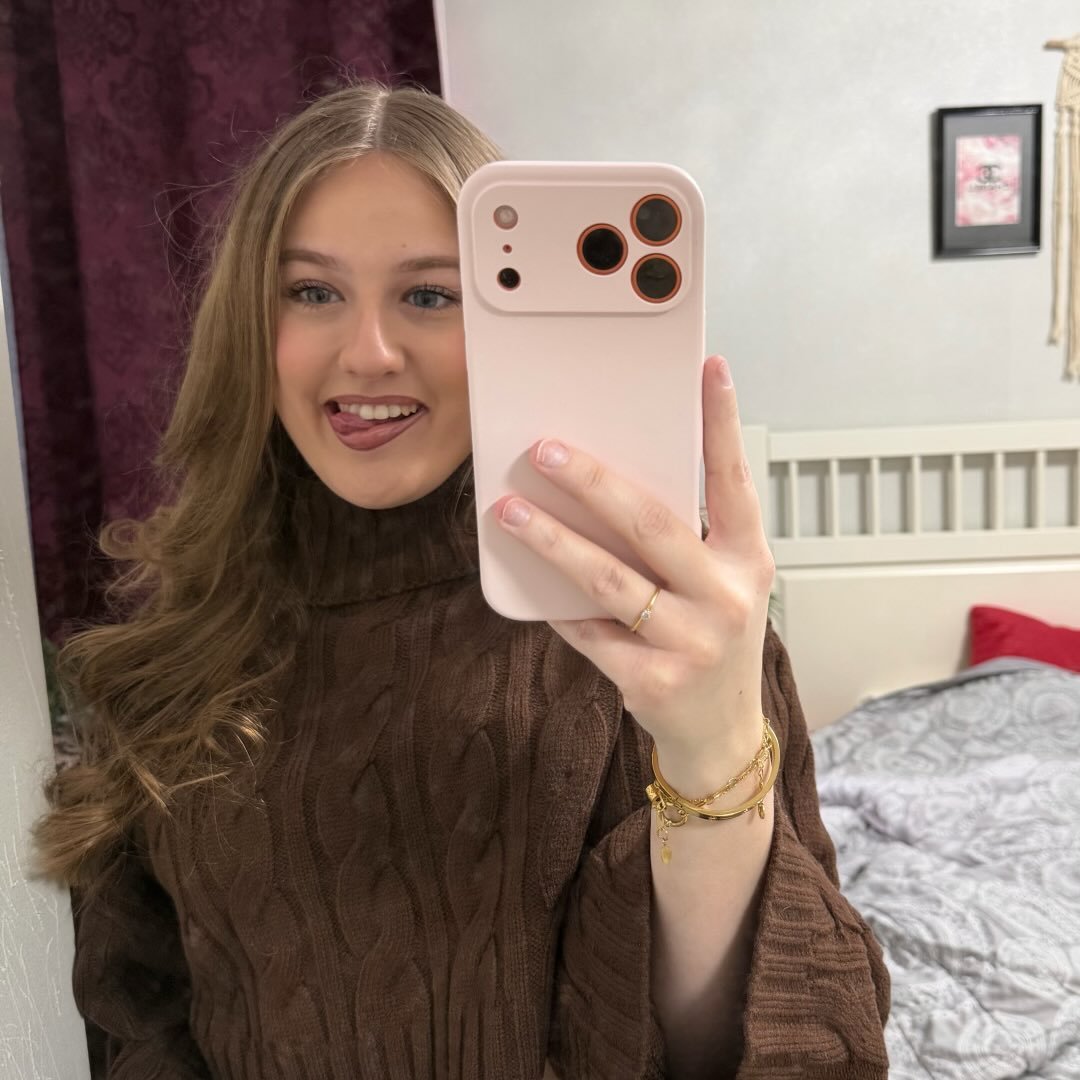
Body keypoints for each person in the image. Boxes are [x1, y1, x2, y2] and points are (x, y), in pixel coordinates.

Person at [33, 80, 890, 1080]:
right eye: (312, 291)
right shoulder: (171, 653)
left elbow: (738, 1048)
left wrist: (713, 755)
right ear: (248, 325)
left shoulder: (663, 628)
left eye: (430, 295)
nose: (369, 353)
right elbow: (136, 1013)